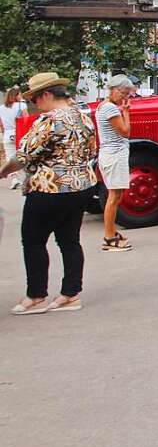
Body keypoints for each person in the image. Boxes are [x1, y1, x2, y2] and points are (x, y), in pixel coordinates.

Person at [2, 72, 97, 315]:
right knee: (70, 240)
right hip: (81, 185)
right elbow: (92, 151)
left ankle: (36, 295)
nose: (34, 104)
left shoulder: (49, 120)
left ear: (45, 95)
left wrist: (3, 172)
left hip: (49, 188)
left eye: (35, 99)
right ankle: (70, 293)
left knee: (33, 241)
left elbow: (23, 156)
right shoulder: (83, 118)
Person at [96, 74, 136, 251]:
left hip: (110, 153)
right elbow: (125, 131)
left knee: (115, 196)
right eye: (123, 93)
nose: (125, 97)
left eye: (127, 94)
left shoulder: (102, 107)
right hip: (115, 154)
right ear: (113, 90)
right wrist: (126, 112)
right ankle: (109, 236)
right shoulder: (111, 109)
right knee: (114, 197)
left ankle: (110, 232)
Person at [0, 86, 27, 188]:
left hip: (8, 133)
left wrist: (4, 133)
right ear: (16, 96)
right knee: (24, 155)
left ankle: (14, 179)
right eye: (20, 94)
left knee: (10, 157)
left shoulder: (1, 108)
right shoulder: (22, 105)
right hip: (20, 133)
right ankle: (27, 178)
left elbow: (1, 124)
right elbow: (26, 119)